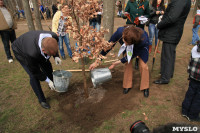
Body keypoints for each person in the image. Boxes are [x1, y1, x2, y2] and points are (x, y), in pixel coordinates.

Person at [89, 26, 150, 97]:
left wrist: (120, 61)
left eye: (127, 43)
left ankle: (145, 86)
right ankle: (127, 85)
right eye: (124, 41)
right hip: (130, 46)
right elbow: (108, 46)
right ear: (123, 35)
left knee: (143, 65)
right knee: (128, 63)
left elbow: (134, 54)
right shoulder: (119, 32)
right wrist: (97, 61)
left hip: (141, 48)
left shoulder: (143, 39)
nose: (125, 44)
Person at [12, 31, 62, 109]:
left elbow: (52, 46)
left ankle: (53, 84)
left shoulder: (53, 36)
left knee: (47, 65)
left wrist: (56, 56)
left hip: (32, 42)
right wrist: (47, 80)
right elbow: (35, 71)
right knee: (33, 76)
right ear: (43, 51)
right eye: (50, 54)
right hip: (20, 50)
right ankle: (42, 100)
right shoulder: (31, 53)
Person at [153, 0, 191, 84]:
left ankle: (165, 78)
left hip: (171, 33)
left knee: (167, 55)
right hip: (173, 32)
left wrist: (159, 24)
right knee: (170, 54)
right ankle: (168, 74)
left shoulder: (181, 1)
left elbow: (172, 18)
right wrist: (163, 18)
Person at [123, 0, 150, 70]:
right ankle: (128, 60)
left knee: (138, 43)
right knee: (129, 42)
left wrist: (142, 17)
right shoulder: (130, 2)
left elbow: (148, 14)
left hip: (139, 27)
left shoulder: (146, 2)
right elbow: (126, 11)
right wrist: (125, 15)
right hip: (130, 25)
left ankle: (137, 61)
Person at [182, 41, 200, 122]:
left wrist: (189, 73)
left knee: (190, 93)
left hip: (193, 76)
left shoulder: (195, 48)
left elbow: (191, 62)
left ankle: (184, 111)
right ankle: (192, 115)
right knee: (198, 98)